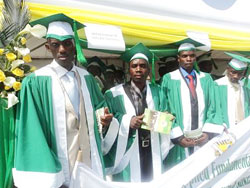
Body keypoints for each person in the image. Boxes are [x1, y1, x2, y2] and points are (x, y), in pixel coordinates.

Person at [12, 13, 116, 188]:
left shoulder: (86, 78)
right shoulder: (36, 81)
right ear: (47, 47)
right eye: (55, 45)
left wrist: (103, 119)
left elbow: (100, 106)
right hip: (57, 155)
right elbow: (32, 129)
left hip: (87, 156)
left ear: (74, 45)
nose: (62, 49)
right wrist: (48, 168)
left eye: (67, 43)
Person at [104, 43, 170, 182]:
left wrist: (164, 118)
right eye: (134, 66)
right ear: (129, 69)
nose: (138, 69)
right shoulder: (114, 94)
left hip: (153, 149)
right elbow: (108, 120)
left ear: (149, 70)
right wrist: (127, 120)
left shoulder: (158, 91)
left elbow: (167, 116)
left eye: (143, 66)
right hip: (128, 151)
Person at [161, 43, 224, 168]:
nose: (188, 59)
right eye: (184, 56)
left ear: (195, 58)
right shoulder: (169, 78)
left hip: (202, 138)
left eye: (191, 56)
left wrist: (208, 133)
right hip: (179, 140)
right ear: (178, 58)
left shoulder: (206, 78)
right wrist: (178, 138)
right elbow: (164, 108)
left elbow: (214, 106)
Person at [215, 52, 250, 127]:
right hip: (225, 127)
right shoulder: (218, 85)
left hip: (244, 126)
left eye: (240, 73)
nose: (236, 76)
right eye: (233, 72)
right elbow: (214, 109)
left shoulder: (245, 86)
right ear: (227, 69)